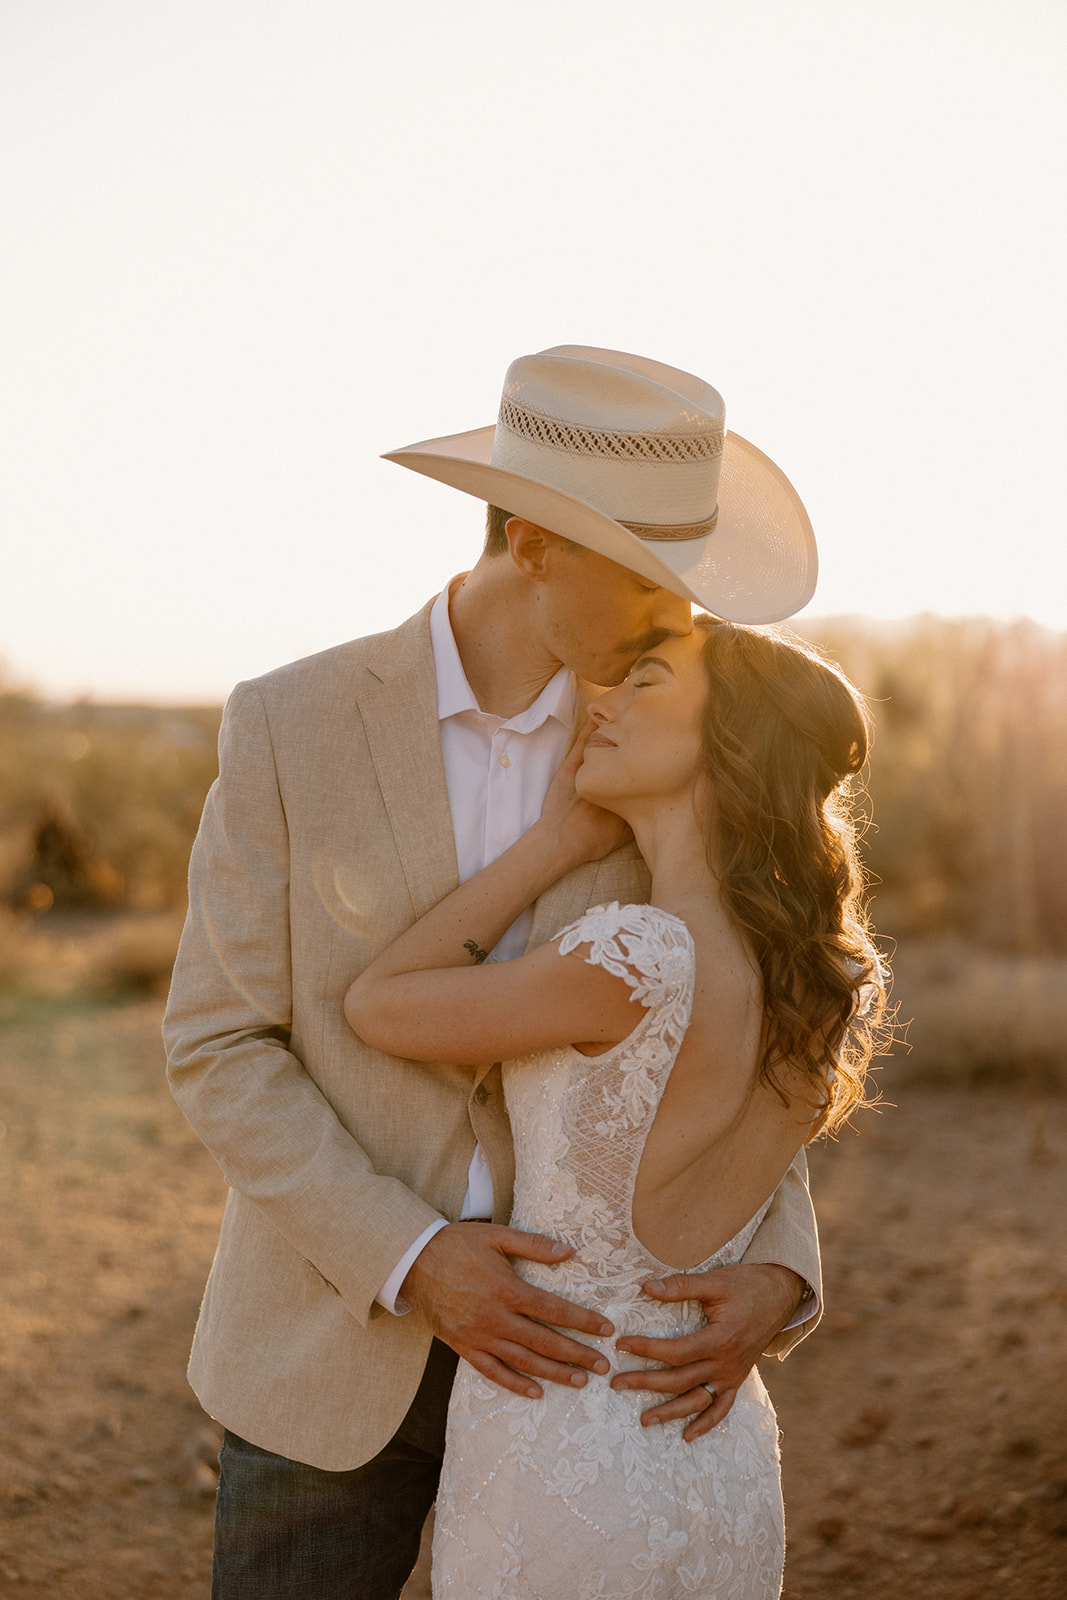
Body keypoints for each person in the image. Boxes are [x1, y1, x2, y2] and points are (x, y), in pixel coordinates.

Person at [164, 345, 826, 1600]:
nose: (680, 614)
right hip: (325, 1343)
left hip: (599, 1387)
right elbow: (219, 1044)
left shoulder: (667, 747)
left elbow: (746, 1012)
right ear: (532, 544)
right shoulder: (288, 725)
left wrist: (780, 1269)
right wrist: (412, 1254)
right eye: (649, 581)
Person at [345, 617, 886, 1598]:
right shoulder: (809, 973)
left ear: (727, 736)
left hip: (563, 1438)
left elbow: (377, 1002)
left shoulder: (634, 956)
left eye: (645, 680)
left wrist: (550, 846)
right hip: (709, 1446)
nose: (600, 701)